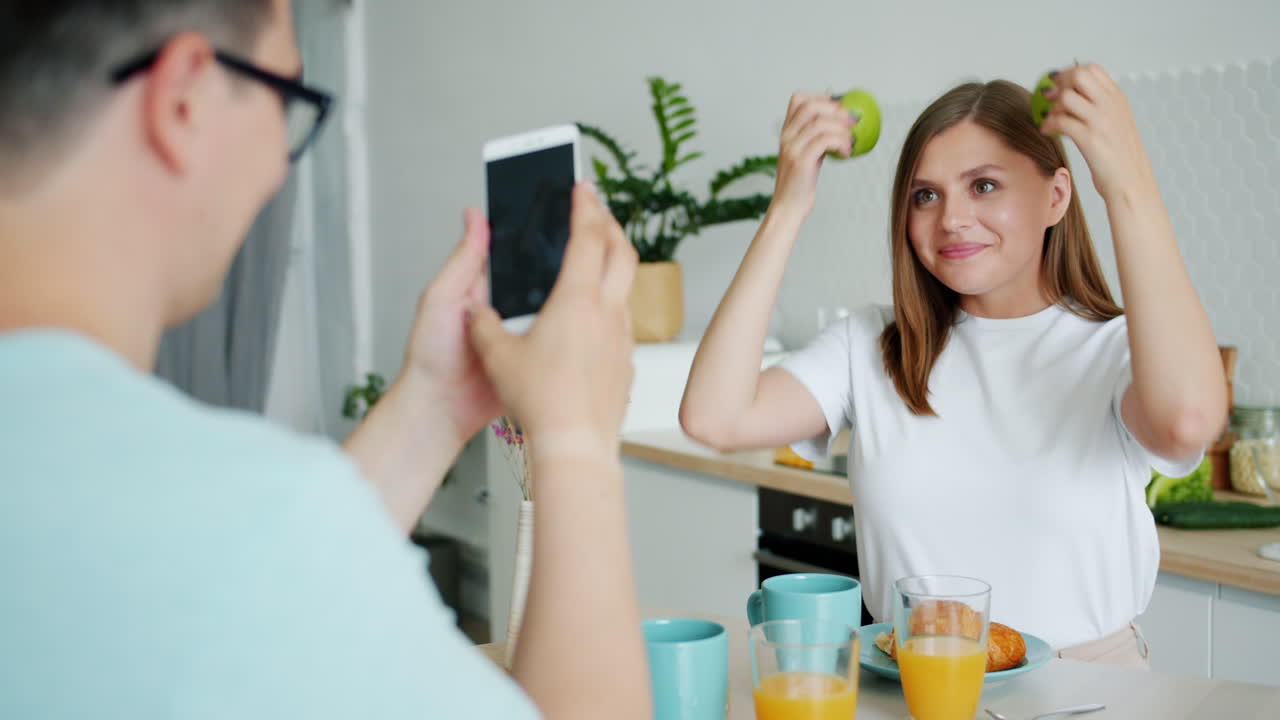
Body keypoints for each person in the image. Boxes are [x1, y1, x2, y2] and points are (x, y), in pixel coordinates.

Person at [0, 1, 650, 717]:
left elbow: (247, 599)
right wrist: (576, 439)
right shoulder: (243, 520)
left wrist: (435, 407)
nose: (279, 167)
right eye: (289, 100)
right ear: (182, 99)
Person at [680, 68, 1226, 665]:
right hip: (912, 688)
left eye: (985, 186)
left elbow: (1189, 419)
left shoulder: (1114, 350)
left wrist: (1127, 184)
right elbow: (715, 418)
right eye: (926, 195)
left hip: (1088, 695)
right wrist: (787, 206)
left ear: (1057, 196)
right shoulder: (872, 345)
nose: (952, 219)